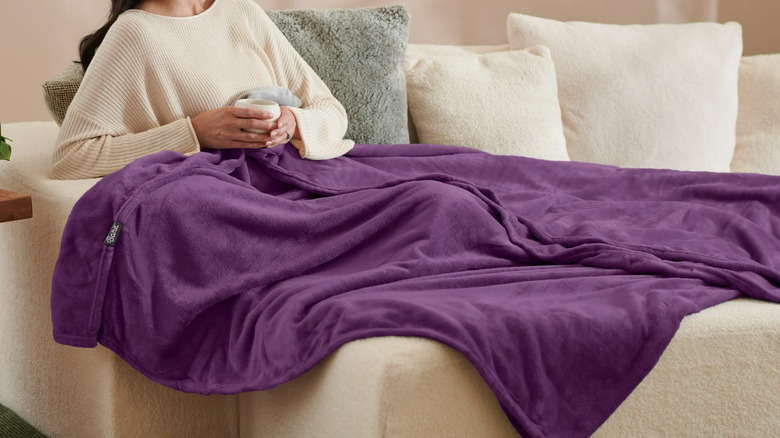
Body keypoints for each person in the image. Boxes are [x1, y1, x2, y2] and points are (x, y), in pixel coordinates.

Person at [50, 0, 354, 179]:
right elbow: (71, 158)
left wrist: (293, 122)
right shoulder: (134, 33)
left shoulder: (241, 10)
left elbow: (332, 111)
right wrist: (194, 132)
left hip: (298, 178)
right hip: (231, 200)